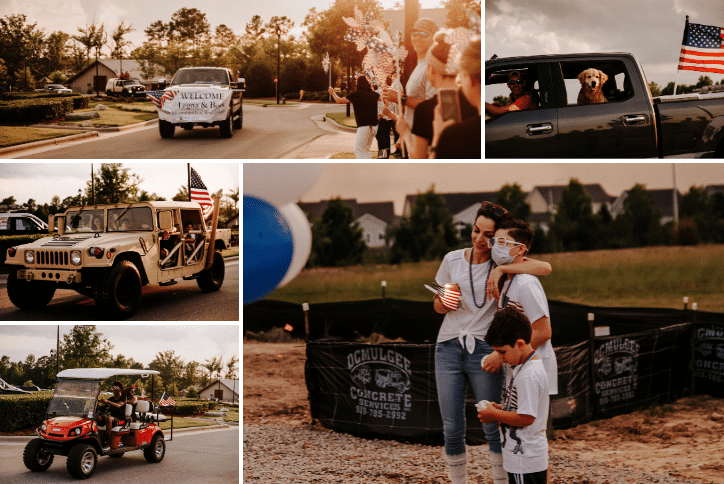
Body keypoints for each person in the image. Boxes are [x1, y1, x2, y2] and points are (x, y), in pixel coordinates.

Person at [432, 201, 552, 484]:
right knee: (451, 426)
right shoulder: (451, 259)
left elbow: (545, 267)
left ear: (497, 239)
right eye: (476, 231)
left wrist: (498, 271)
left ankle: (501, 480)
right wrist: (444, 301)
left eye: (488, 235)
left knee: (492, 422)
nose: (479, 239)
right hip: (448, 345)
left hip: (485, 349)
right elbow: (437, 304)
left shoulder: (502, 262)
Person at [485, 218, 558, 483]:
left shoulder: (526, 283)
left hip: (535, 370)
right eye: (496, 241)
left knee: (535, 441)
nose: (497, 247)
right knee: (525, 439)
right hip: (519, 369)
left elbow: (543, 331)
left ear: (521, 249)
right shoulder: (509, 280)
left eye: (504, 242)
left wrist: (499, 354)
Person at [478, 307, 550, 484]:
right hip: (526, 460)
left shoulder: (528, 375)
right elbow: (525, 406)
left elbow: (526, 417)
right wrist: (500, 408)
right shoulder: (524, 368)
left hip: (525, 460)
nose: (500, 357)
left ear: (520, 344)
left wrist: (494, 415)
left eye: (502, 352)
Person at [396, 30, 478, 158]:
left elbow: (419, 158)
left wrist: (405, 132)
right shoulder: (473, 101)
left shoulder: (425, 110)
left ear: (431, 68)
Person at [385, 18, 439, 133]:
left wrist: (401, 98)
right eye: (415, 34)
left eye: (424, 34)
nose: (418, 38)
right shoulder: (420, 65)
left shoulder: (433, 66)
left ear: (434, 39)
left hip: (426, 141)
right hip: (413, 140)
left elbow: (434, 106)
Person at [431, 37, 481, 159]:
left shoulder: (453, 136)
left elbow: (430, 175)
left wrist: (438, 137)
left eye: (461, 77)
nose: (460, 83)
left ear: (470, 79)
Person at [328, 76, 380, 159]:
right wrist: (381, 114)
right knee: (366, 149)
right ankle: (369, 168)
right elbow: (385, 100)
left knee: (358, 149)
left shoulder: (356, 95)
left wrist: (332, 92)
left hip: (364, 126)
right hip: (374, 126)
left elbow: (339, 101)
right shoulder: (374, 94)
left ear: (358, 84)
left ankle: (362, 169)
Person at [95, 381, 127, 446]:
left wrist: (108, 401)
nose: (114, 389)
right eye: (113, 387)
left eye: (116, 387)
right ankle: (98, 438)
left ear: (120, 390)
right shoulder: (111, 398)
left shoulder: (123, 398)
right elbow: (104, 407)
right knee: (98, 417)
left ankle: (107, 440)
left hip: (120, 420)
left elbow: (118, 405)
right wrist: (97, 400)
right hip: (111, 419)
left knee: (109, 418)